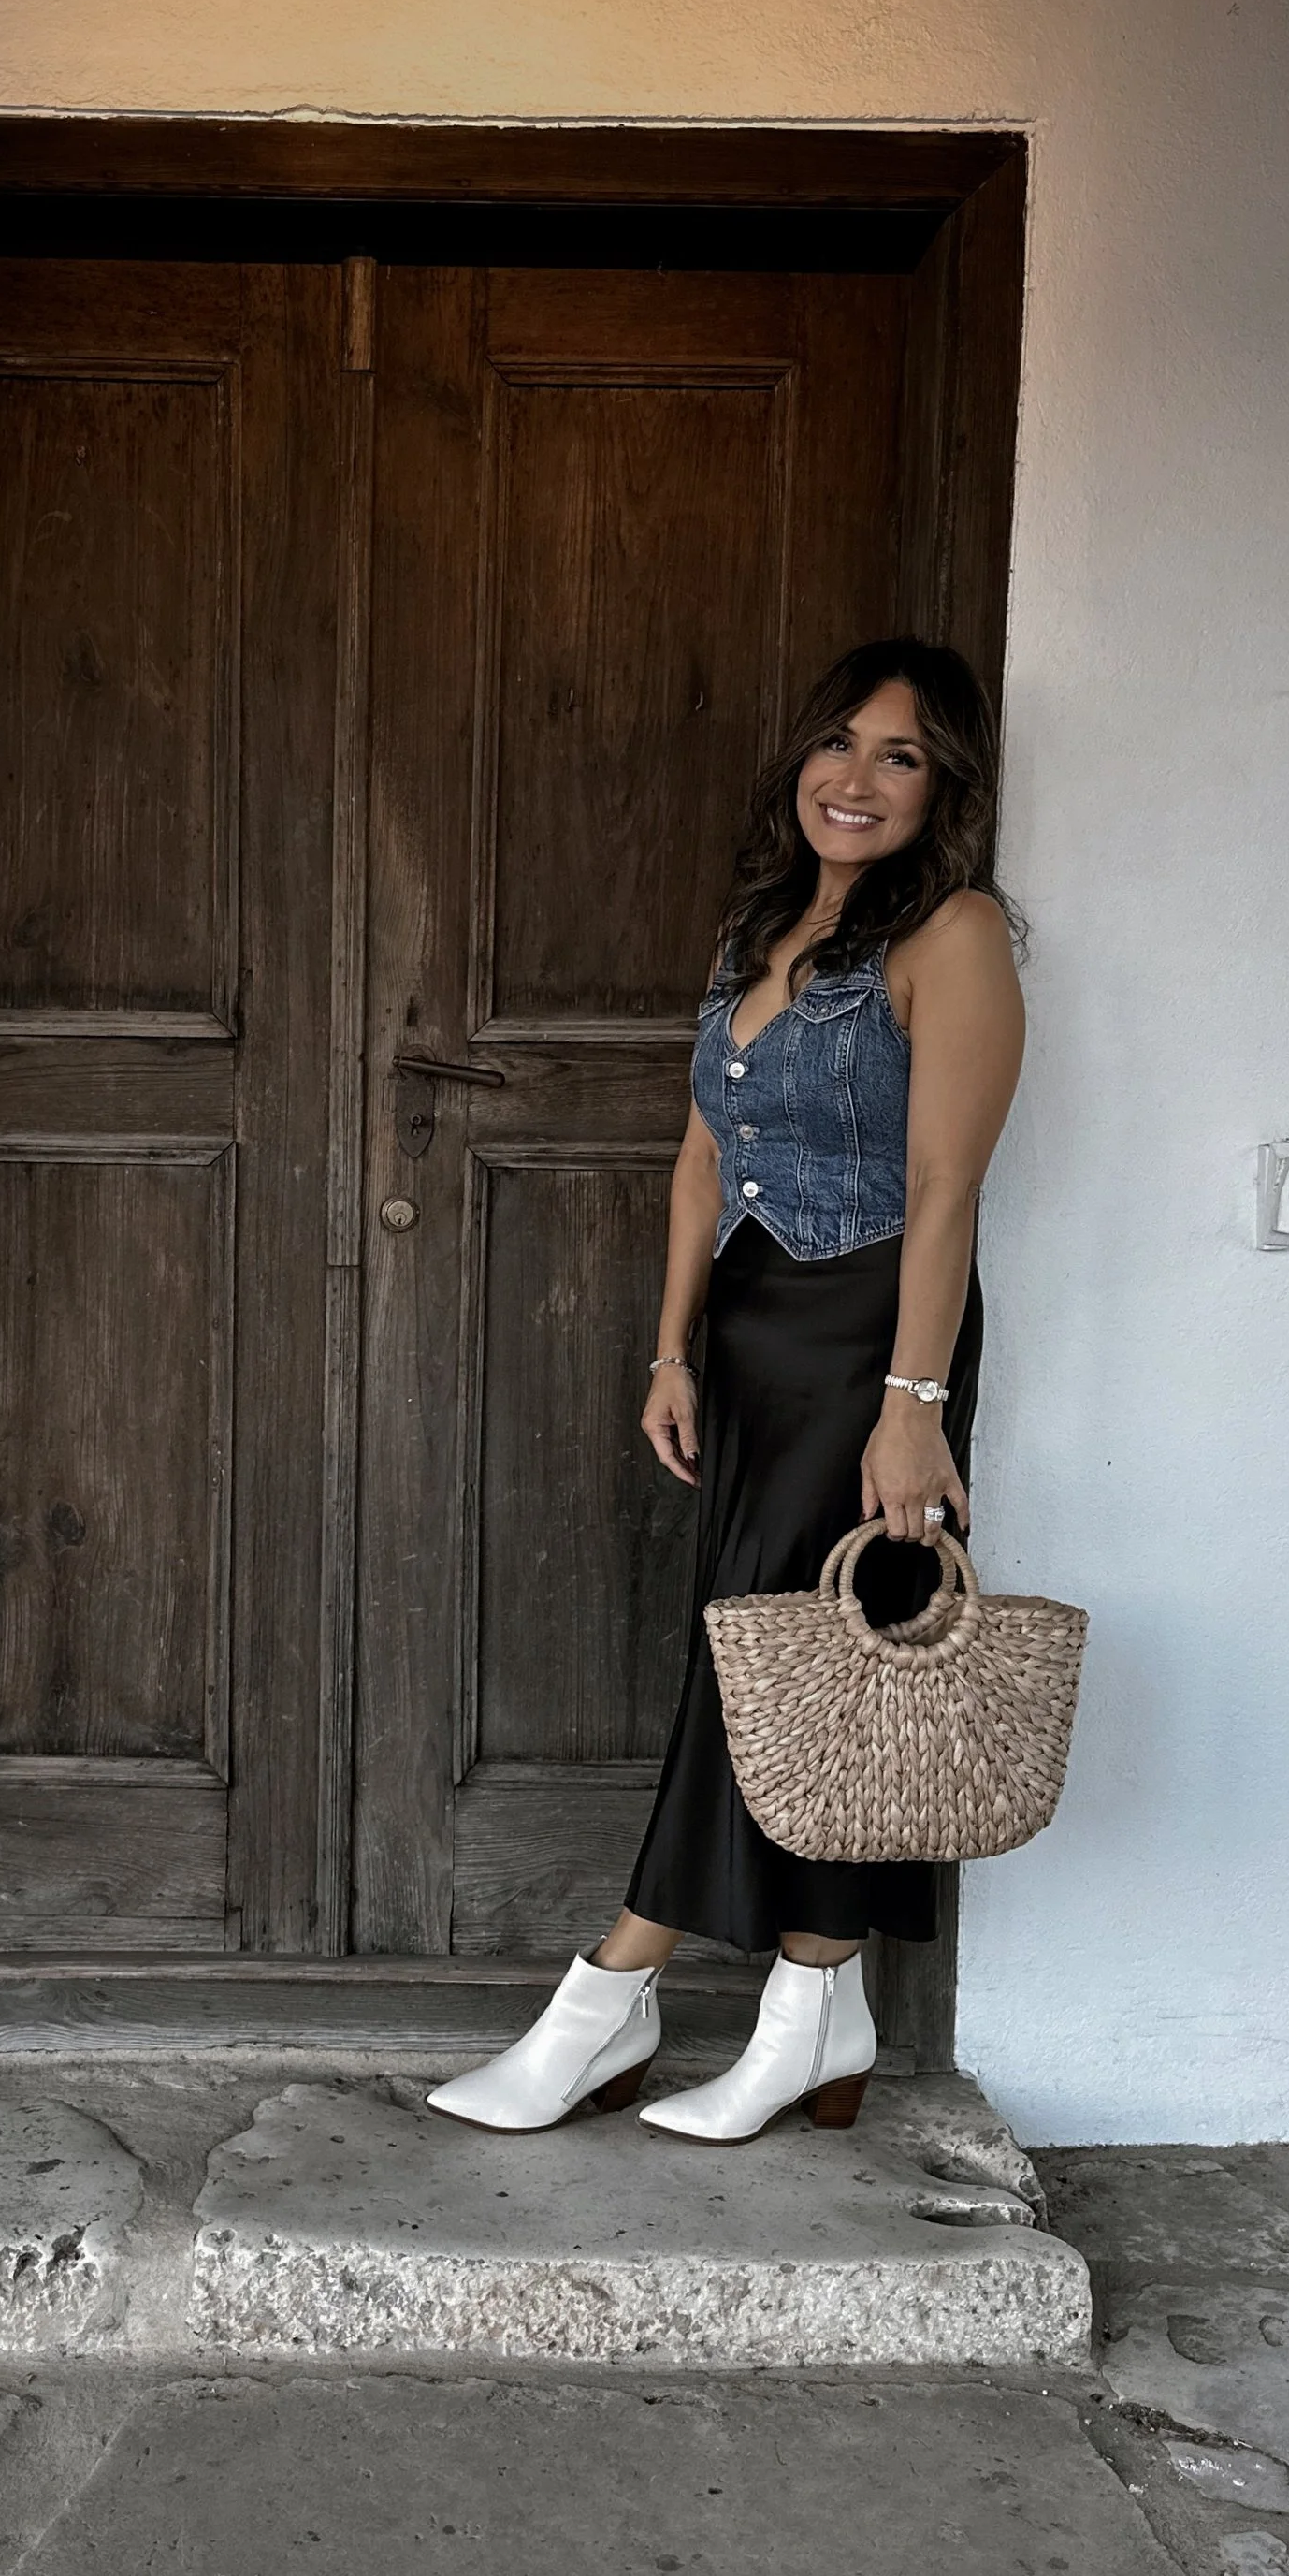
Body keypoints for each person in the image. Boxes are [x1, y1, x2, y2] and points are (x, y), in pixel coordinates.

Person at [429, 638, 1026, 2142]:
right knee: (787, 1666)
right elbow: (703, 1152)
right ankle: (816, 2014)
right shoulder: (760, 924)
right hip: (755, 1334)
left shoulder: (954, 935)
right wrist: (671, 1345)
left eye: (900, 755)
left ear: (942, 783)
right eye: (841, 743)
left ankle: (612, 1989)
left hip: (867, 1339)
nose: (859, 778)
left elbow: (949, 1186)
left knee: (795, 1661)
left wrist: (914, 1401)